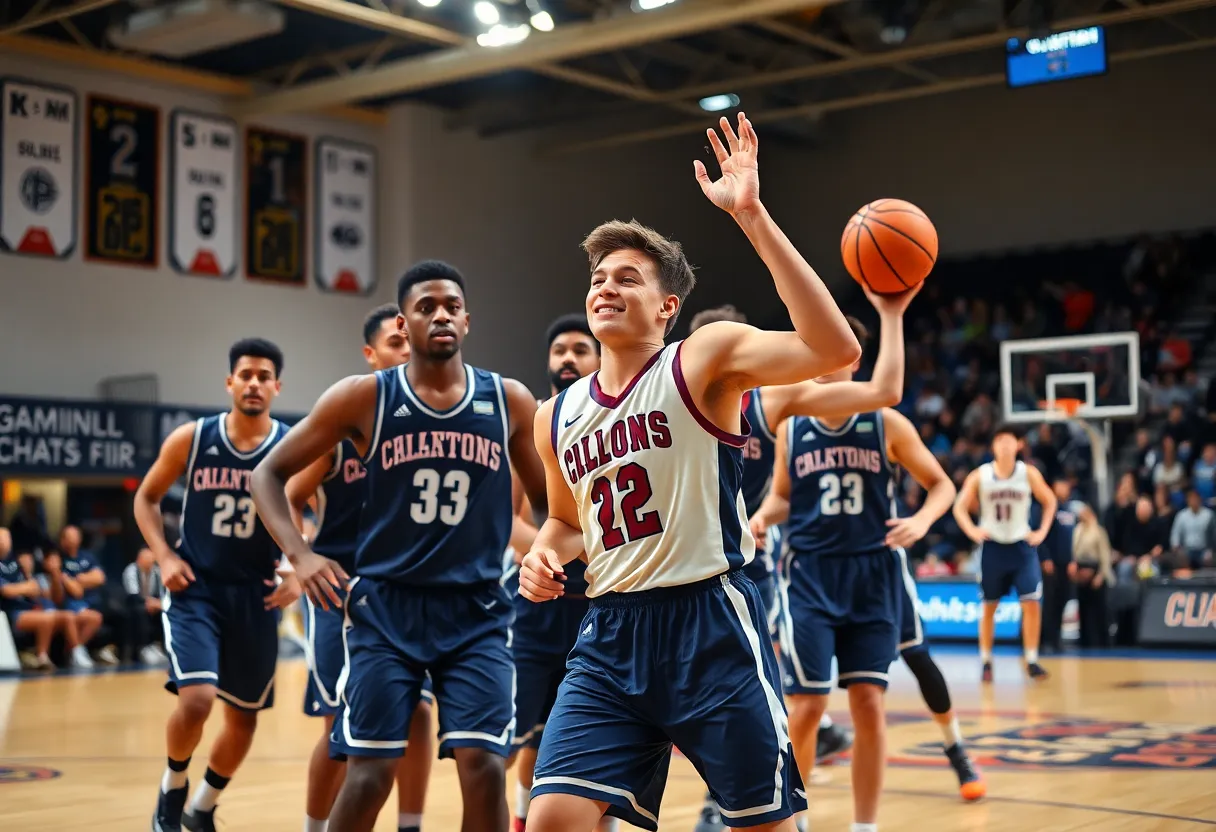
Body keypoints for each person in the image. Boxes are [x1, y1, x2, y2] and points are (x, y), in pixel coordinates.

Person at [517, 113, 862, 832]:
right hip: (609, 633)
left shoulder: (701, 358)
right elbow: (566, 522)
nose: (605, 288)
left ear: (668, 307)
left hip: (710, 626)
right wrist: (544, 554)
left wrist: (753, 216)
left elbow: (835, 349)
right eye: (597, 278)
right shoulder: (556, 416)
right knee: (552, 818)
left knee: (763, 825)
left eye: (628, 278)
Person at [251, 260, 549, 832]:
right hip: (386, 609)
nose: (441, 316)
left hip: (478, 612)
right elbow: (267, 474)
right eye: (425, 307)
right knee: (369, 775)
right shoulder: (362, 397)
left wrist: (546, 549)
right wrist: (301, 554)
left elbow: (546, 500)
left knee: (486, 768)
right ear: (403, 324)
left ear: (467, 320)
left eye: (452, 307)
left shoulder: (509, 399)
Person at [682, 286, 923, 831]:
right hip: (687, 570)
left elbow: (883, 390)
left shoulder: (771, 403)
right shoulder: (671, 400)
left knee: (758, 693)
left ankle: (750, 804)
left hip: (756, 569)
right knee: (712, 695)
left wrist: (890, 314)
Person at [750, 325, 987, 831]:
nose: (821, 366)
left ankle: (865, 826)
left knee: (869, 702)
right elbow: (783, 495)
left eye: (833, 355)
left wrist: (921, 521)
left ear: (855, 362)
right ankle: (797, 822)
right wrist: (762, 517)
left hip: (873, 574)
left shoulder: (885, 422)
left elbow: (941, 485)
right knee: (808, 705)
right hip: (810, 576)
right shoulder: (792, 427)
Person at [135, 338, 300, 832]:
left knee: (244, 719)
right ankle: (172, 788)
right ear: (230, 382)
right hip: (197, 588)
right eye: (245, 374)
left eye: (263, 376)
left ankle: (202, 806)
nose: (254, 383)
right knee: (197, 698)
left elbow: (309, 510)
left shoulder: (291, 446)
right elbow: (146, 498)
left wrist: (298, 568)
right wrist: (164, 555)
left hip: (257, 594)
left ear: (277, 386)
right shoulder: (193, 438)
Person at [283, 304, 432, 832]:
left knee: (420, 713)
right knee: (339, 729)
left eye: (411, 341)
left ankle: (410, 825)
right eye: (395, 342)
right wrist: (299, 557)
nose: (407, 350)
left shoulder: (434, 425)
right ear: (370, 354)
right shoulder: (344, 426)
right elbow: (288, 493)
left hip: (409, 592)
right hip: (340, 592)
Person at [507, 314, 617, 832]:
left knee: (593, 742)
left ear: (599, 358)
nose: (568, 358)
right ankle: (519, 819)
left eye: (579, 349)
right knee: (518, 740)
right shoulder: (535, 426)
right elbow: (510, 521)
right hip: (538, 611)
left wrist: (598, 551)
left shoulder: (620, 424)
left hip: (602, 607)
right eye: (559, 350)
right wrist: (550, 553)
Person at [952, 425, 1057, 683]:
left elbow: (1050, 501)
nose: (1005, 445)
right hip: (993, 547)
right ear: (993, 447)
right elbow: (959, 507)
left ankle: (1031, 659)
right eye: (1000, 441)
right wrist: (972, 530)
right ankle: (986, 660)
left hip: (1022, 546)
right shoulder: (981, 475)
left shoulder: (1028, 473)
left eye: (1009, 441)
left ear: (1019, 445)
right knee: (989, 606)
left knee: (1031, 604)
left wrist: (1042, 531)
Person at [1037, 479, 1078, 655]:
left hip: (1066, 563)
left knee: (1062, 600)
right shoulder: (1048, 507)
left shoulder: (1070, 510)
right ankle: (1044, 639)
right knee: (1049, 602)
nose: (1065, 488)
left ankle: (1056, 638)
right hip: (1051, 562)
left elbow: (1074, 538)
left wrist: (1073, 560)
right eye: (1062, 485)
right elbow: (1041, 534)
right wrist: (1045, 557)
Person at [1071, 504, 1114, 647]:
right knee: (1083, 608)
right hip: (1081, 570)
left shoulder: (1098, 531)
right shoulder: (1078, 530)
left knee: (1099, 609)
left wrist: (1101, 575)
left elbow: (1105, 555)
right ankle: (1085, 640)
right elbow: (1074, 551)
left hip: (1095, 570)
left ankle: (1101, 641)